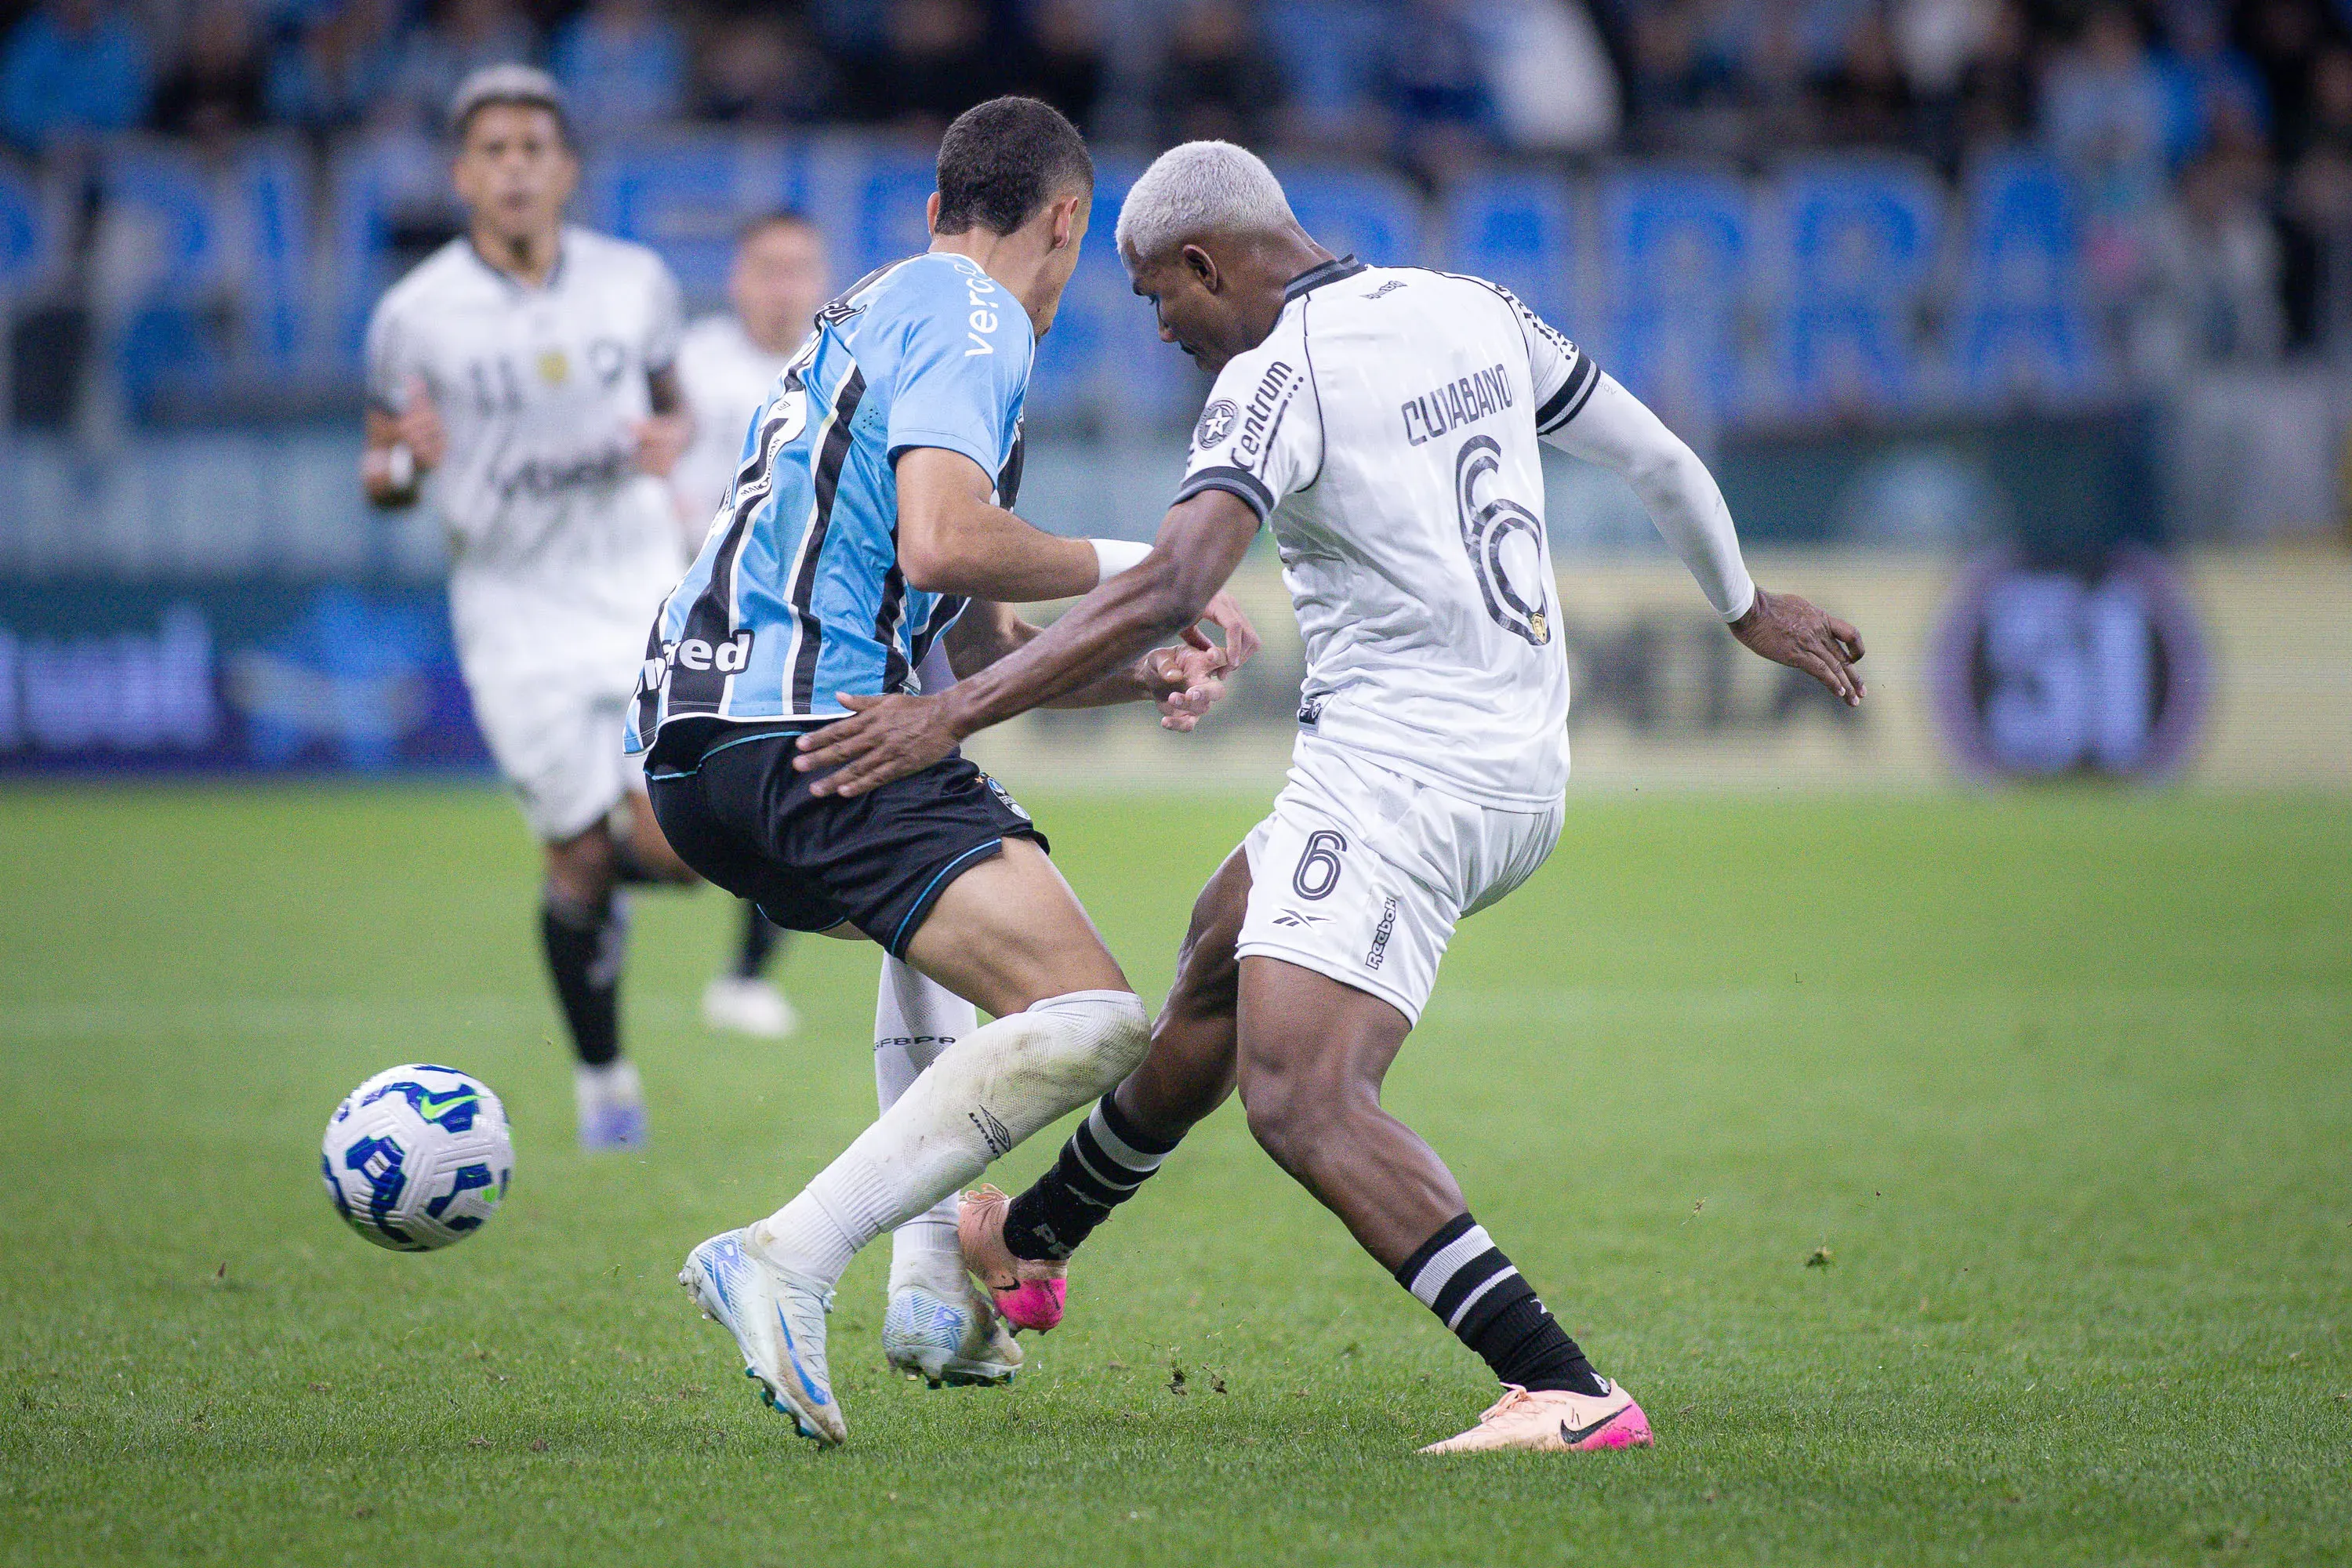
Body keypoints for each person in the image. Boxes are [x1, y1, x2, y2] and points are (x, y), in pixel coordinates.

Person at [793, 140, 1868, 1455]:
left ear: (1202, 263)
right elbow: (1655, 457)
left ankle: (1565, 1388)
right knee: (1216, 960)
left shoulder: (1274, 375)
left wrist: (950, 711)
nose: (1162, 333)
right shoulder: (1474, 308)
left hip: (1402, 776)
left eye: (1156, 300)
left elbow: (1180, 580)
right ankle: (1025, 1245)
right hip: (1521, 763)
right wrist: (1747, 607)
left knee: (1302, 1099)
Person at [644, 96, 1254, 1446]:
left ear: (932, 209)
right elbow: (945, 542)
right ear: (1068, 227)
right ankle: (791, 1254)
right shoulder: (977, 319)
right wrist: (1154, 572)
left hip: (704, 752)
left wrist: (1139, 658)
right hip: (800, 724)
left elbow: (971, 643)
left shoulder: (881, 308)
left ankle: (928, 1289)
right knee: (1095, 1016)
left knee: (941, 891)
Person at [360, 66, 699, 1152]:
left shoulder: (634, 282)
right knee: (579, 860)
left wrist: (670, 442)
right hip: (514, 614)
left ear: (566, 169)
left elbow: (674, 412)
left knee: (684, 843)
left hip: (639, 586)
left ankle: (639, 841)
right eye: (493, 152)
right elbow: (379, 471)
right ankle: (604, 1082)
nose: (514, 168)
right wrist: (403, 468)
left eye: (532, 150)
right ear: (463, 176)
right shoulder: (413, 317)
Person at [670, 212, 836, 1041]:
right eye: (768, 267)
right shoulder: (695, 365)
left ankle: (744, 977)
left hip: (790, 622)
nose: (783, 286)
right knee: (659, 828)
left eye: (799, 268)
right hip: (682, 608)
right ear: (738, 277)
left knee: (786, 791)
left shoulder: (839, 367)